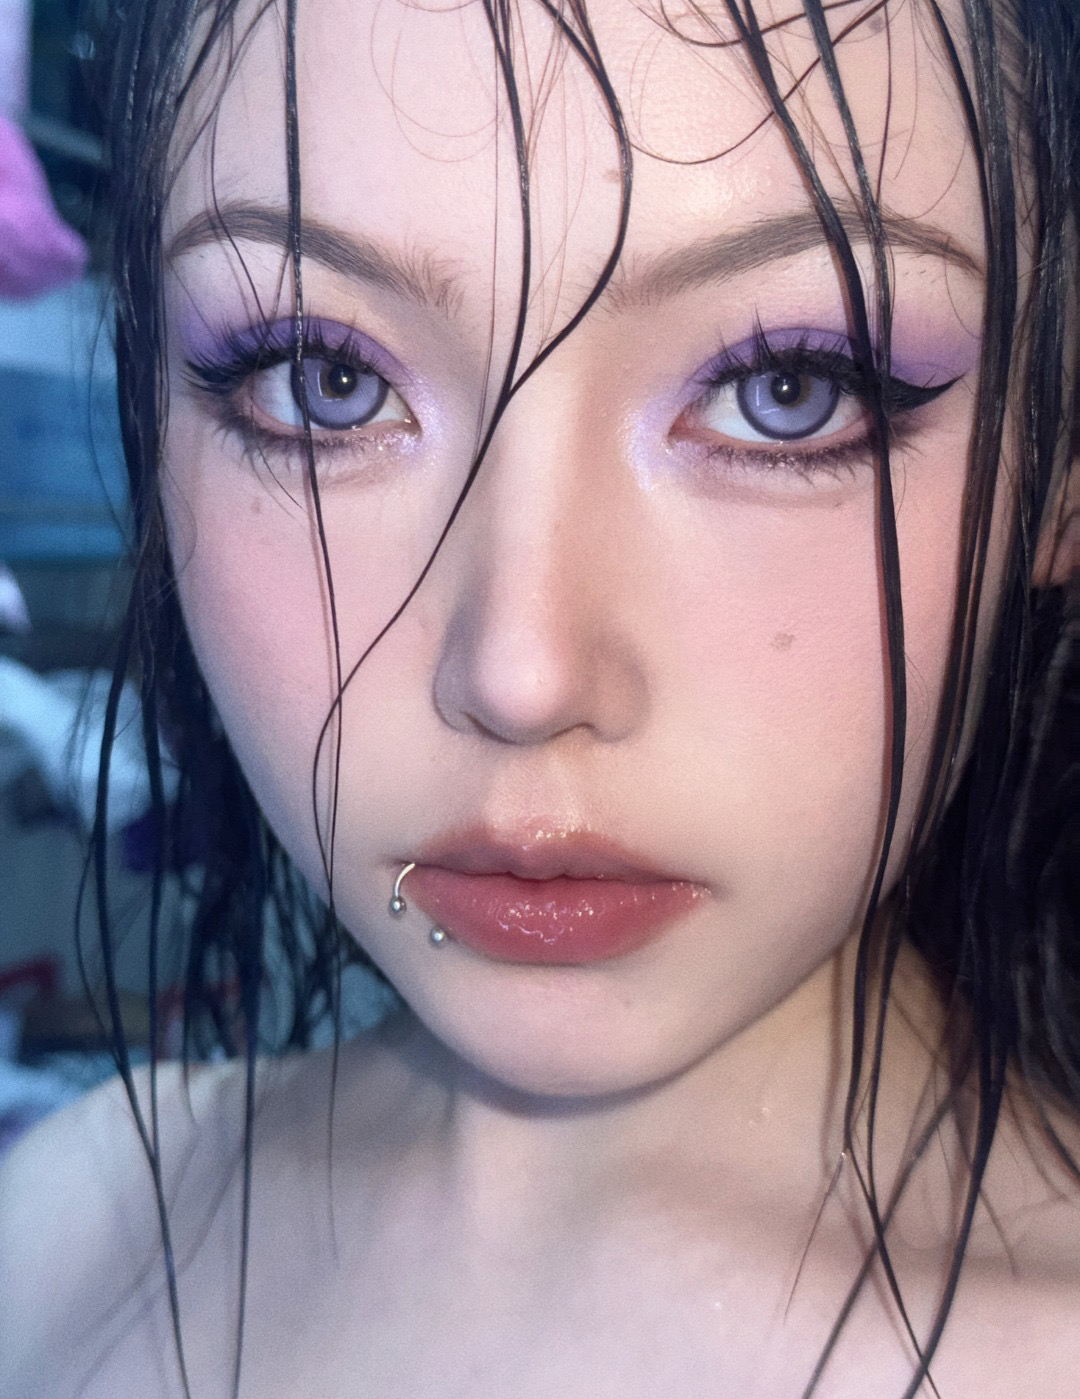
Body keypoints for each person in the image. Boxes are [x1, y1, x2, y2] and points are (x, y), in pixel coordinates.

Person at [1, 0, 1077, 1394]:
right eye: (324, 382)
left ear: (1058, 462)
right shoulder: (70, 1231)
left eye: (791, 391)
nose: (519, 675)